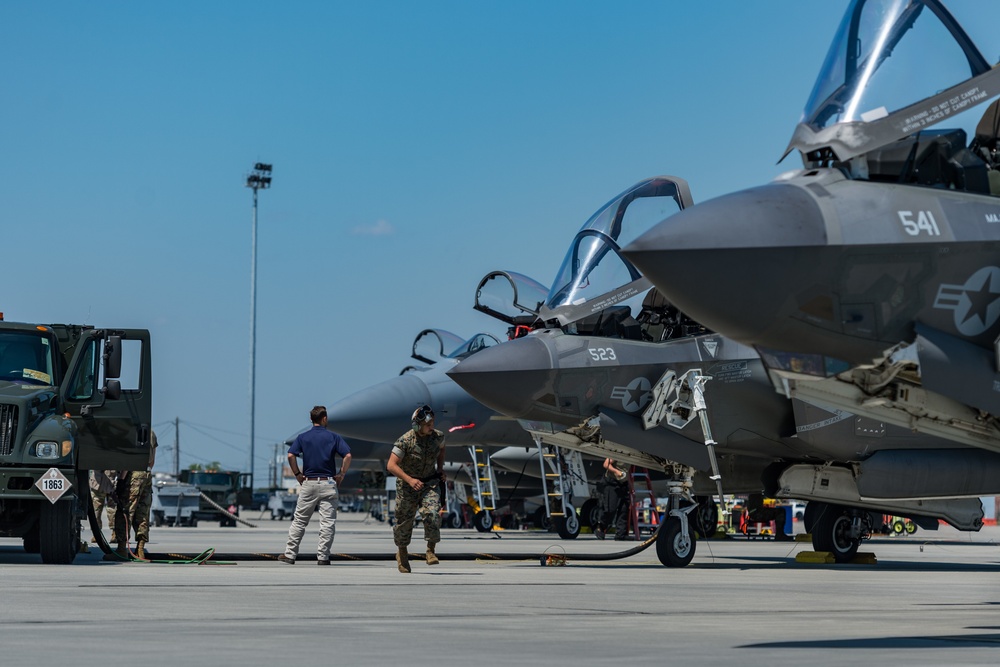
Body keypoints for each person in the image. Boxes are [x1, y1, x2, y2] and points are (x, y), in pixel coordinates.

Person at [278, 406, 352, 565]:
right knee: (327, 523)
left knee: (299, 521)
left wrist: (297, 474)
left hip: (309, 483)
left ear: (312, 420)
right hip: (328, 483)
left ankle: (290, 555)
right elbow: (347, 455)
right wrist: (341, 474)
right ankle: (323, 557)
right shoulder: (334, 437)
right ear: (324, 418)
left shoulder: (303, 437)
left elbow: (291, 454)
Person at [386, 404, 446, 573]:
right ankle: (402, 554)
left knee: (433, 514)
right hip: (407, 486)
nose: (431, 426)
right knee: (404, 522)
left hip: (429, 483)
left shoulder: (438, 437)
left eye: (432, 422)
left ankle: (430, 550)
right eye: (428, 424)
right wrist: (410, 480)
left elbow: (441, 450)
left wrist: (440, 469)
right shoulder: (405, 441)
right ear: (417, 425)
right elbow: (391, 465)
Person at [113, 430, 158, 559]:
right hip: (147, 474)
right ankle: (140, 549)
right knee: (143, 512)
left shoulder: (131, 431)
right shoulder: (151, 433)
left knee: (125, 511)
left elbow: (128, 459)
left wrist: (121, 480)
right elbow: (152, 460)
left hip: (133, 474)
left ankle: (121, 549)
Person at [594, 457, 629, 541]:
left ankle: (620, 534)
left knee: (623, 509)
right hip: (612, 483)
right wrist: (616, 471)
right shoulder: (618, 452)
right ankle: (600, 528)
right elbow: (606, 464)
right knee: (610, 509)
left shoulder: (631, 454)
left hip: (623, 483)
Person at [89, 469, 118, 544]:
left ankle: (115, 532)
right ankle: (96, 533)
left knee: (113, 510)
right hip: (98, 482)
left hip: (111, 481)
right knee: (96, 511)